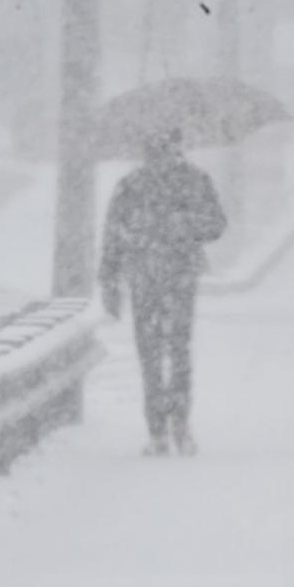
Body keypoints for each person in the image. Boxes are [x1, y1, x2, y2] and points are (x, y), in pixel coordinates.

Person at [98, 127, 227, 456]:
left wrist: (110, 279)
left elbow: (216, 223)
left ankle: (165, 428)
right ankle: (171, 426)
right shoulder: (187, 181)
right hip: (168, 275)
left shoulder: (135, 186)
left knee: (159, 352)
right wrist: (110, 278)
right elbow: (114, 235)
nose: (160, 157)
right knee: (167, 351)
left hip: (156, 274)